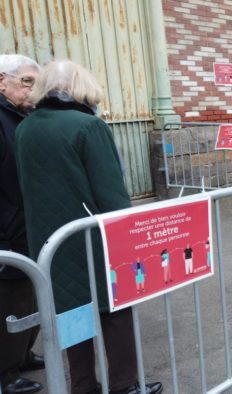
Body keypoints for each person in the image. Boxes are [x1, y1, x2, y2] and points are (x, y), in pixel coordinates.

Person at [14, 60, 162, 394]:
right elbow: (111, 192)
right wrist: (131, 236)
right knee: (114, 308)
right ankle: (125, 384)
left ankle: (83, 385)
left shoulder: (25, 127)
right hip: (93, 237)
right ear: (81, 86)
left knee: (70, 311)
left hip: (48, 238)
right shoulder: (87, 126)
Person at [0, 54, 44, 394]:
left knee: (31, 297)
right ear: (2, 80)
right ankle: (7, 371)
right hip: (8, 231)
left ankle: (24, 353)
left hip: (26, 226)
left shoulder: (20, 116)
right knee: (11, 303)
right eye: (26, 81)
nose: (32, 89)